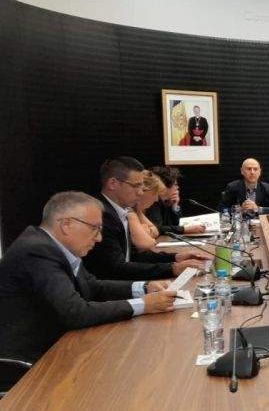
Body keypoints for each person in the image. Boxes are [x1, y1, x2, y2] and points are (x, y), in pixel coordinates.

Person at [0, 192, 177, 384]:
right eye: (94, 228)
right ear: (66, 225)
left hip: (58, 346)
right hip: (29, 365)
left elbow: (92, 286)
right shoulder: (37, 251)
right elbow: (75, 312)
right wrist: (143, 305)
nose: (99, 238)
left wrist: (144, 287)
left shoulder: (54, 246)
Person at [84, 157, 209, 280]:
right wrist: (173, 268)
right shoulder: (101, 215)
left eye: (142, 187)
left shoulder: (119, 210)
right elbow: (116, 268)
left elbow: (133, 256)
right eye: (136, 186)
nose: (140, 193)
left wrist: (176, 257)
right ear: (113, 183)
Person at [146, 166, 206, 236]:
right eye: (175, 185)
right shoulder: (152, 202)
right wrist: (184, 229)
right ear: (164, 185)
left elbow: (175, 224)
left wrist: (174, 206)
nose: (178, 187)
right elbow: (158, 228)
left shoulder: (165, 202)